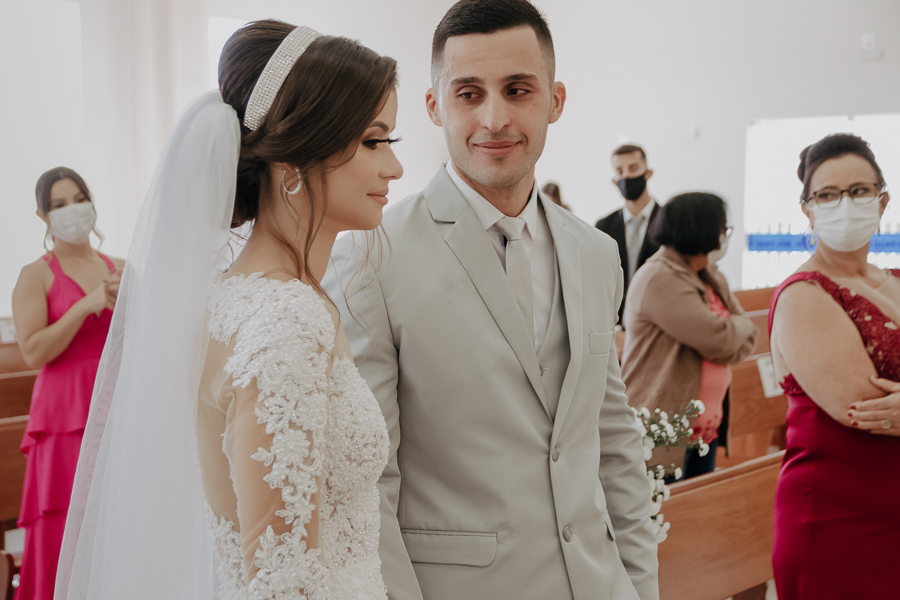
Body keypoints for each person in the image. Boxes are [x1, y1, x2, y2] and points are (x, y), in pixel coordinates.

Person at [54, 20, 402, 600]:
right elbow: (283, 581)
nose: (392, 167)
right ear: (293, 163)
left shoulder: (238, 296)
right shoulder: (285, 319)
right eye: (373, 141)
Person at [323, 2, 658, 599]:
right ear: (434, 106)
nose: (495, 117)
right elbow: (368, 481)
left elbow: (611, 438)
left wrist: (638, 585)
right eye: (469, 93)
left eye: (518, 89)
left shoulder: (595, 252)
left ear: (555, 100)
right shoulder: (372, 256)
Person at [768, 133, 900, 599]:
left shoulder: (895, 280)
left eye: (860, 191)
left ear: (882, 200)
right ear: (808, 208)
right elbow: (867, 408)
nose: (845, 204)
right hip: (840, 519)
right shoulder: (805, 294)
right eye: (827, 194)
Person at [10, 167, 122, 600]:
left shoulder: (120, 267)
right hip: (63, 414)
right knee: (66, 523)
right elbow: (34, 352)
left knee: (114, 516)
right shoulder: (35, 274)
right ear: (42, 216)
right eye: (59, 205)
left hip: (114, 403)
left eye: (79, 198)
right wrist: (87, 305)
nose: (73, 210)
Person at [621, 192, 758, 479]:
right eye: (723, 229)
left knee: (699, 516)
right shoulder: (660, 277)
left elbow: (745, 340)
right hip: (665, 431)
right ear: (702, 230)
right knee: (671, 520)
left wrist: (731, 333)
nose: (724, 237)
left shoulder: (708, 275)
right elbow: (718, 338)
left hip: (704, 433)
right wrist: (734, 330)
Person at [595, 144, 661, 324]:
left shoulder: (670, 223)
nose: (626, 176)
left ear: (648, 173)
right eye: (619, 171)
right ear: (614, 180)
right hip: (615, 328)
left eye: (633, 168)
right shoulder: (603, 226)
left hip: (657, 325)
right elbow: (599, 283)